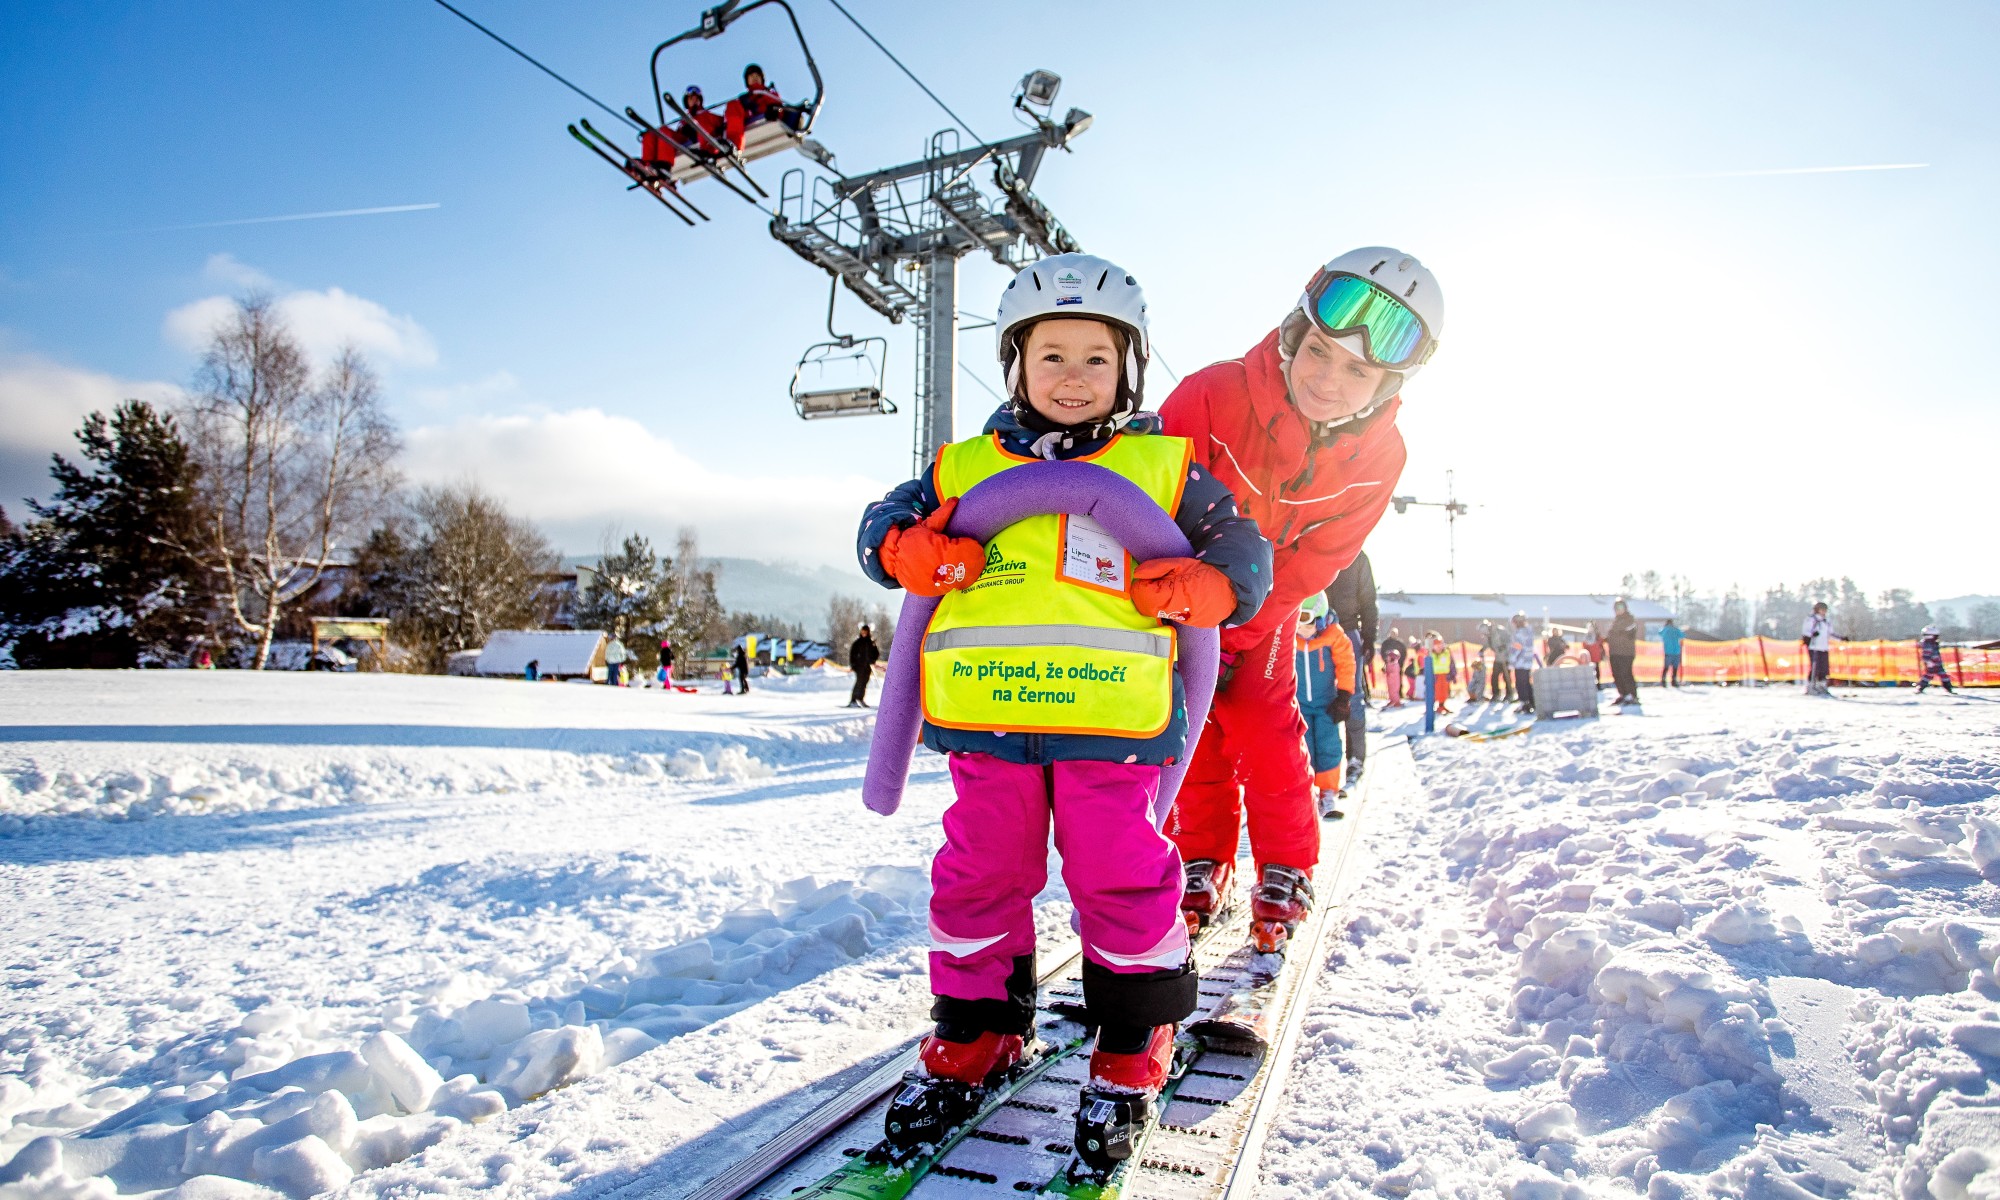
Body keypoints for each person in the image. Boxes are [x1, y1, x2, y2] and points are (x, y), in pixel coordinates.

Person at [854, 254, 1272, 1161]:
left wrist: (1214, 588)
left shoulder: (1166, 469)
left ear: (1129, 367)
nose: (1073, 376)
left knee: (1120, 878)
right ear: (1015, 366)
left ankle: (1133, 1042)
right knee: (975, 880)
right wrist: (900, 547)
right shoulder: (962, 468)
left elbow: (1243, 547)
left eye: (1095, 356)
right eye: (1051, 356)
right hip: (986, 724)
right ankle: (978, 1029)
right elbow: (881, 522)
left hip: (1115, 734)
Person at [1158, 247, 1441, 962]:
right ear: (1294, 334)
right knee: (1192, 735)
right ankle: (1202, 858)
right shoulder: (1212, 395)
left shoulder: (1382, 457)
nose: (1327, 378)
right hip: (1176, 603)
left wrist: (1240, 628)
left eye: (1358, 371)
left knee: (1262, 723)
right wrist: (1180, 617)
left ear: (1387, 383)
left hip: (1264, 611)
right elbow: (1150, 500)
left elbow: (1325, 556)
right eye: (1319, 350)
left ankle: (1287, 864)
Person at [1294, 594, 1356, 820]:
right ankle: (1305, 793)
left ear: (1321, 620)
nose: (1303, 629)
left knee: (1329, 746)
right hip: (1298, 706)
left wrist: (1344, 696)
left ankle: (1328, 793)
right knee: (1304, 749)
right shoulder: (1292, 639)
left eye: (1308, 623)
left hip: (1326, 705)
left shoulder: (1334, 636)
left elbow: (1346, 664)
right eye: (1297, 622)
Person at [1324, 551, 1377, 788]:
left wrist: (1368, 637)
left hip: (1347, 629)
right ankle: (1323, 763)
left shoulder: (1357, 557)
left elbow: (1368, 600)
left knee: (1353, 696)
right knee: (1319, 697)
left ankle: (1355, 758)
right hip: (1316, 630)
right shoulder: (1317, 546)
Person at [1607, 599, 1641, 706]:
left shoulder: (1629, 620)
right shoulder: (1615, 621)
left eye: (1620, 608)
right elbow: (1612, 635)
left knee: (1625, 673)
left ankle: (1632, 695)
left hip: (1626, 653)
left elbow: (1626, 631)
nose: (1618, 610)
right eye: (1616, 608)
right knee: (1616, 674)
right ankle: (1623, 694)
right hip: (1615, 652)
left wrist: (1615, 632)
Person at [1801, 602, 1836, 695]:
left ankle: (1822, 685)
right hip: (1814, 647)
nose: (1824, 612)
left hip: (1824, 647)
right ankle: (1810, 686)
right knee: (1815, 667)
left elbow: (1831, 634)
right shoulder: (1811, 619)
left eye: (1825, 610)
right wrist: (1812, 634)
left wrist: (1842, 638)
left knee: (1824, 668)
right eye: (1822, 609)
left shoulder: (1826, 621)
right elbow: (1806, 632)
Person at [1508, 612, 1539, 714]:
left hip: (1520, 662)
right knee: (1527, 683)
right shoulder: (1529, 632)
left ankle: (1524, 703)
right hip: (1528, 662)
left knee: (1520, 683)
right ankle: (1532, 702)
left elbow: (1516, 648)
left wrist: (1511, 660)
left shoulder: (1519, 633)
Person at [1481, 619, 1513, 704]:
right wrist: (1482, 650)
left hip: (1505, 658)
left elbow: (1510, 641)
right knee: (1494, 676)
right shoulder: (1489, 635)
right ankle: (1496, 694)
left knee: (1506, 676)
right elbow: (1487, 644)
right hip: (1498, 658)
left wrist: (1504, 647)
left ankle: (1509, 694)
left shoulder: (1500, 631)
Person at [847, 623, 879, 708]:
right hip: (859, 667)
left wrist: (872, 660)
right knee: (859, 682)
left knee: (864, 683)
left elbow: (876, 653)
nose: (864, 633)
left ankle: (860, 699)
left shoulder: (871, 642)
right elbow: (852, 654)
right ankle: (853, 700)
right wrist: (853, 665)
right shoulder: (857, 643)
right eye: (862, 631)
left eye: (865, 632)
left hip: (867, 667)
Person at [1917, 624, 1956, 694]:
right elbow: (1925, 656)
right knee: (1929, 675)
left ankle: (1948, 688)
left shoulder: (1933, 644)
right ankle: (1920, 687)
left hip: (1937, 663)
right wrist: (1929, 662)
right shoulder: (1928, 645)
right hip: (1933, 664)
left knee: (1943, 676)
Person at [1379, 626, 1408, 708]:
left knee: (1397, 683)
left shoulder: (1400, 643)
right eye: (1392, 633)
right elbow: (1382, 652)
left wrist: (1400, 662)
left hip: (1398, 665)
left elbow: (1404, 653)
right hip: (1388, 665)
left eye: (1395, 633)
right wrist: (1386, 660)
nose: (1393, 635)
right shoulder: (1386, 643)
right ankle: (1392, 699)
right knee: (1390, 683)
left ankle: (1398, 697)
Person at [1658, 619, 1684, 687]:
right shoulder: (1676, 629)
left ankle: (1663, 681)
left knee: (1666, 667)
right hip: (1676, 651)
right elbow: (1682, 635)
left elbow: (1659, 633)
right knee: (1675, 668)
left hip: (1668, 651)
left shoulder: (1665, 629)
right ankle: (1674, 681)